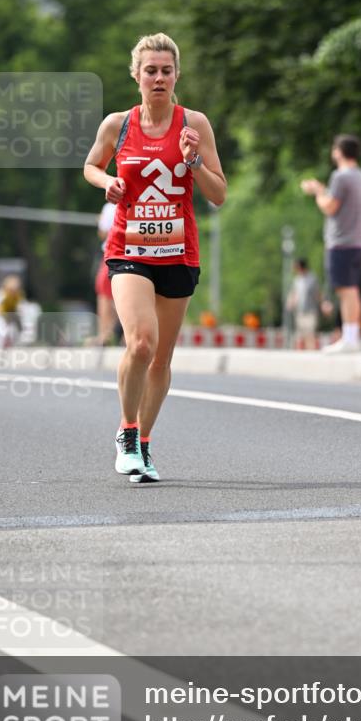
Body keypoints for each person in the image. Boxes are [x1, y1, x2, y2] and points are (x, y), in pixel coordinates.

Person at [83, 32, 227, 483]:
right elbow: (90, 165)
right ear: (137, 75)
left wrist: (194, 162)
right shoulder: (117, 125)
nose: (159, 78)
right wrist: (106, 183)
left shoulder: (194, 125)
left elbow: (219, 194)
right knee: (140, 343)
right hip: (129, 249)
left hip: (178, 253)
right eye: (151, 70)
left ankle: (144, 444)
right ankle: (126, 434)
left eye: (166, 70)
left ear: (177, 74)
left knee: (162, 359)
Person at [301, 134, 361, 353]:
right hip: (358, 240)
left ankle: (349, 339)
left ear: (339, 152)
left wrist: (318, 191)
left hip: (341, 241)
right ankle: (352, 335)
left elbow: (330, 207)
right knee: (352, 289)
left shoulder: (340, 177)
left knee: (345, 290)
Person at [93, 200, 118, 345]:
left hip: (112, 253)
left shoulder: (110, 207)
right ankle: (115, 334)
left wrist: (100, 220)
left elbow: (103, 233)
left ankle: (105, 333)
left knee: (104, 293)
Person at [286, 258, 320, 350]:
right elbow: (293, 292)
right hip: (299, 311)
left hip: (310, 311)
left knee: (309, 333)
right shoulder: (297, 280)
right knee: (299, 335)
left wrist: (323, 304)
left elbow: (317, 294)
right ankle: (299, 355)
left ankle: (311, 354)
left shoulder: (312, 279)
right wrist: (290, 301)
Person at [0, 274, 25, 348]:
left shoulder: (18, 296)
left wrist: (19, 312)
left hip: (10, 318)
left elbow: (20, 306)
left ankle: (13, 348)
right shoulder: (2, 294)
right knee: (1, 333)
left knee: (14, 333)